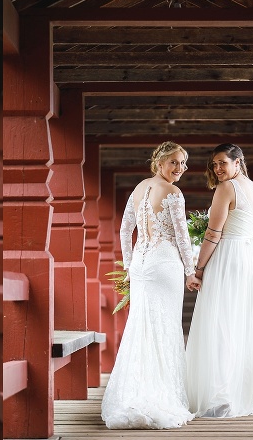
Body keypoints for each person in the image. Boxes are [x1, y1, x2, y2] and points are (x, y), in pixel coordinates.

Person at [101, 141, 199, 429]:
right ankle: (162, 395)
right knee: (165, 326)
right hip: (165, 264)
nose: (180, 168)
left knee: (141, 327)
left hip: (142, 267)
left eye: (183, 163)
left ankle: (136, 393)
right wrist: (191, 272)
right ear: (159, 163)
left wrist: (130, 265)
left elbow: (124, 229)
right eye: (174, 163)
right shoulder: (173, 193)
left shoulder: (139, 188)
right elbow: (182, 237)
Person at [186, 143, 253, 418]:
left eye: (222, 162)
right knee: (244, 322)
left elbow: (213, 234)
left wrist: (198, 269)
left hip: (230, 258)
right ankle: (239, 394)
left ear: (238, 162)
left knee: (221, 321)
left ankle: (220, 397)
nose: (218, 169)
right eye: (214, 164)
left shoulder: (226, 188)